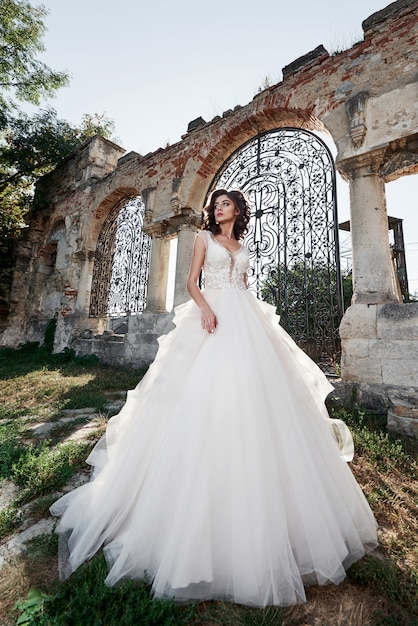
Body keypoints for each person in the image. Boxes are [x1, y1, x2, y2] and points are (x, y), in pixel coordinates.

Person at [50, 188, 378, 607]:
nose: (218, 209)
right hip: (213, 314)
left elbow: (243, 283)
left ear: (238, 211)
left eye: (225, 204)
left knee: (262, 397)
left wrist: (256, 317)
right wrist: (205, 308)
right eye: (216, 204)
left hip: (245, 318)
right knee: (200, 395)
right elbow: (191, 282)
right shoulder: (203, 239)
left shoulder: (242, 245)